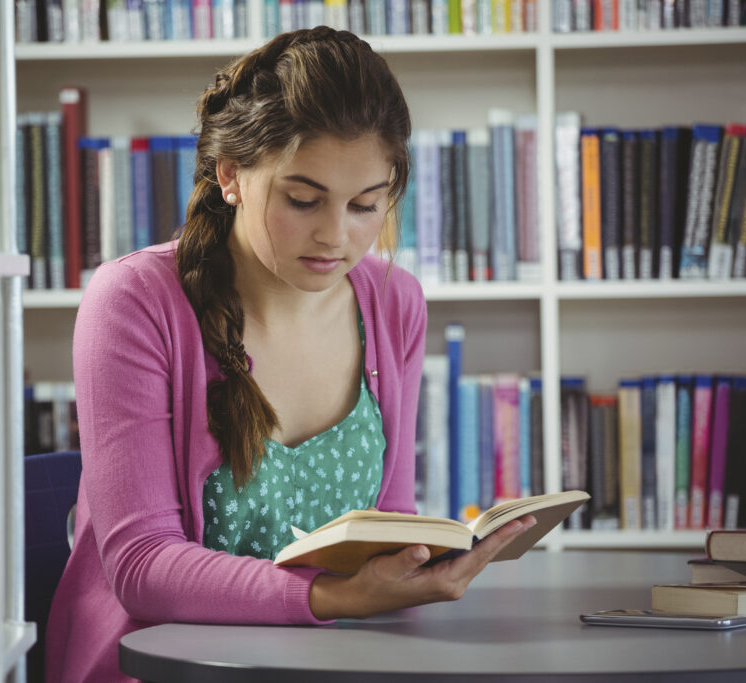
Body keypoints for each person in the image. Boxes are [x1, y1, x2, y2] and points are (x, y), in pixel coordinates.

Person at [45, 26, 536, 682]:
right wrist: (330, 597)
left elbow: (383, 520)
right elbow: (142, 567)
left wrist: (420, 565)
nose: (336, 235)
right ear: (231, 175)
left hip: (333, 657)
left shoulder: (395, 304)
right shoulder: (134, 302)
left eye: (366, 205)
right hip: (165, 665)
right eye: (303, 199)